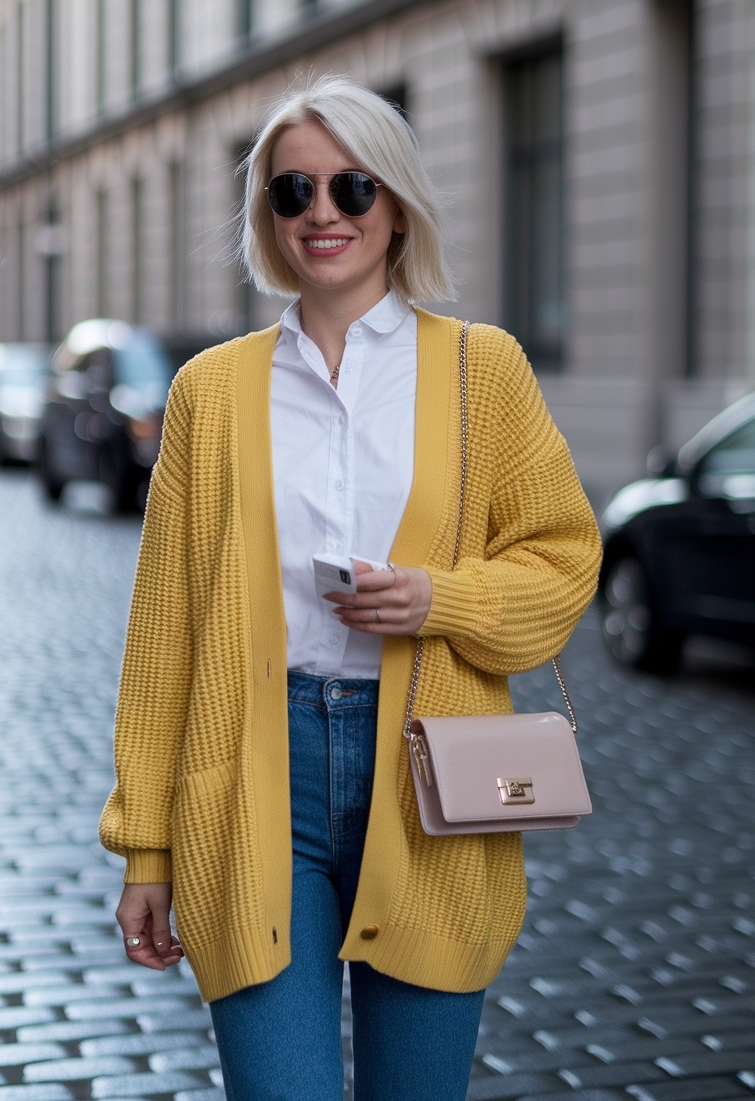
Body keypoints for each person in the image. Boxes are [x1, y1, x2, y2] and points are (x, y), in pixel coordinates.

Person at [99, 75, 602, 1101]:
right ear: (268, 215)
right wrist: (144, 849)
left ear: (396, 202)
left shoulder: (481, 371)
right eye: (293, 193)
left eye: (351, 188)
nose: (321, 214)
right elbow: (163, 639)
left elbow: (562, 560)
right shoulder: (209, 390)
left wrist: (439, 602)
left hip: (432, 783)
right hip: (249, 783)